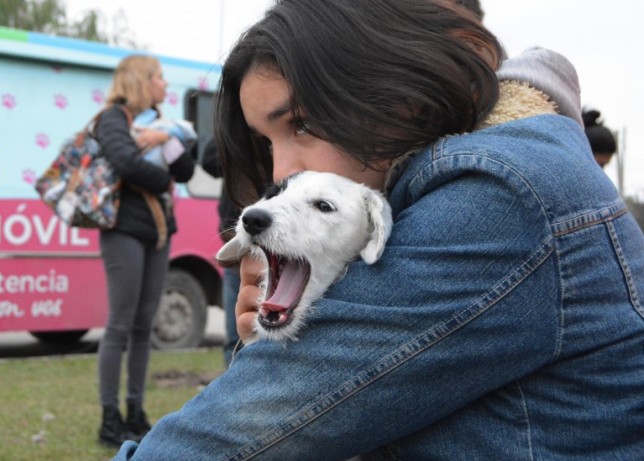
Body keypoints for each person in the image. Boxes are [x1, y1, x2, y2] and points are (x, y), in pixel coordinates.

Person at [111, 1, 644, 459]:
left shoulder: (497, 196)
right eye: (267, 141)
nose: (280, 174)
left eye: (302, 123)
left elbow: (238, 432)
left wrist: (276, 362)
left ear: (396, 89)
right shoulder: (485, 174)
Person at [94, 54, 195, 448]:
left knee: (143, 325)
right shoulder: (113, 118)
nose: (165, 84)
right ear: (140, 80)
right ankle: (109, 418)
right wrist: (163, 177)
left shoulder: (160, 123)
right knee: (119, 325)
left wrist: (166, 140)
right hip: (123, 229)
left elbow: (186, 172)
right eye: (159, 77)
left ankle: (135, 412)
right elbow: (125, 163)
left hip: (158, 231)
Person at [200, 139, 242, 367]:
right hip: (234, 237)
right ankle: (233, 398)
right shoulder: (236, 129)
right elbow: (208, 162)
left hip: (274, 241)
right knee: (234, 337)